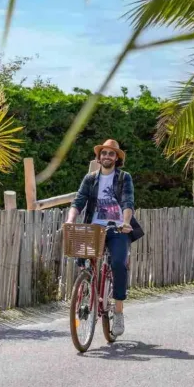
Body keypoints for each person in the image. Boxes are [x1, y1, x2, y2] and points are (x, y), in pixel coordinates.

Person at [66, 139, 135, 337]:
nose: (107, 156)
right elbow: (78, 201)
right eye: (104, 153)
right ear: (99, 157)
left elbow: (127, 201)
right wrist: (71, 220)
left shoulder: (123, 178)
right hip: (94, 228)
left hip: (117, 228)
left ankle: (119, 311)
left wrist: (126, 222)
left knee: (119, 264)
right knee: (83, 259)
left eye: (111, 154)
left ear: (117, 158)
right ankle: (86, 290)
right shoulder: (90, 179)